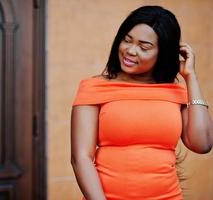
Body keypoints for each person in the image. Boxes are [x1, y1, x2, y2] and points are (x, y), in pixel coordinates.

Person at [71, 5, 213, 200]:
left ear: (162, 53)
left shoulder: (175, 93)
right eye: (127, 40)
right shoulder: (94, 88)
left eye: (144, 47)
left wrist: (191, 77)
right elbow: (81, 158)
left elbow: (202, 143)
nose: (130, 51)